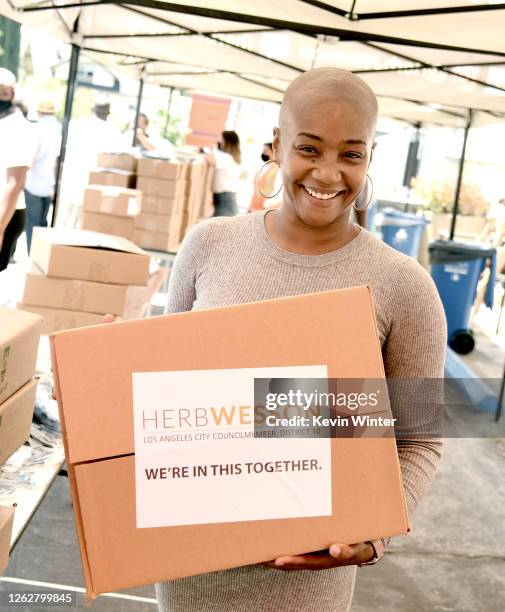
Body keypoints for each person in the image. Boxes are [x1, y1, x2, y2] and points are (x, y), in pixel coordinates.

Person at [152, 67, 447, 611]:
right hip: (191, 570)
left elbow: (419, 440)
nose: (329, 173)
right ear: (275, 147)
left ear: (370, 158)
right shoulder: (209, 246)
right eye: (309, 149)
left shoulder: (404, 288)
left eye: (351, 154)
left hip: (306, 588)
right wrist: (108, 381)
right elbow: (167, 393)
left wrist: (372, 534)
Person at [0, 68, 35, 272]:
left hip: (6, 213)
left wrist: (0, 228)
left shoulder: (15, 126)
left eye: (5, 90)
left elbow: (15, 182)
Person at [24, 95, 62, 252]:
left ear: (39, 112)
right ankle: (43, 256)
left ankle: (33, 256)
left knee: (32, 223)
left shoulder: (36, 129)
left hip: (34, 184)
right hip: (50, 185)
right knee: (43, 223)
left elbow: (30, 159)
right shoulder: (59, 130)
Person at [210, 130, 242, 217]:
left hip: (225, 200)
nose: (219, 142)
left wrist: (211, 149)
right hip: (227, 199)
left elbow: (209, 159)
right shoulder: (233, 158)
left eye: (221, 139)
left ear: (227, 142)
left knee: (215, 229)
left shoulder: (225, 157)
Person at [249, 142, 281, 212]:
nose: (263, 153)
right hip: (254, 209)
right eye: (263, 151)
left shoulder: (278, 169)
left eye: (266, 151)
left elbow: (278, 192)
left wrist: (266, 205)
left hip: (267, 210)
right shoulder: (262, 167)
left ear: (274, 152)